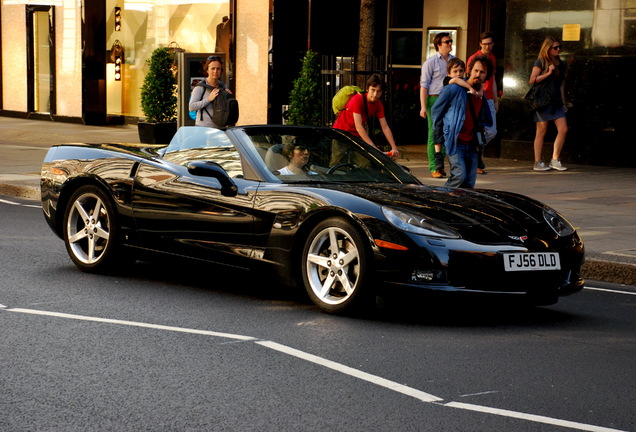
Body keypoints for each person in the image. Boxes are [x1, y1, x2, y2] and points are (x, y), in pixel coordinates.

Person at [432, 55, 493, 189]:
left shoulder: (482, 95)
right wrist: (443, 131)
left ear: (487, 75)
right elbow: (436, 111)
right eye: (476, 71)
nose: (478, 74)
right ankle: (441, 198)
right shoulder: (454, 88)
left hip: (472, 143)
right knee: (459, 176)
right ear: (469, 70)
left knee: (469, 182)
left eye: (482, 72)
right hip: (455, 141)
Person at [333, 74, 400, 158]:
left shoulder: (378, 104)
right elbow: (359, 126)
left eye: (378, 91)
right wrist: (373, 147)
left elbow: (385, 127)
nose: (375, 94)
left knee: (365, 162)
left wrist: (394, 147)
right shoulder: (358, 99)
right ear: (367, 89)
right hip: (341, 133)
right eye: (373, 90)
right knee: (338, 162)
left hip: (356, 135)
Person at [433, 58, 480, 176]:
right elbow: (436, 110)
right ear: (449, 73)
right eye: (455, 71)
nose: (458, 74)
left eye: (461, 71)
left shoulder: (463, 83)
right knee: (437, 132)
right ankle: (438, 158)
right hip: (447, 121)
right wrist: (470, 88)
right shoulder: (450, 82)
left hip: (458, 125)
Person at [529, 36, 568, 171]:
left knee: (563, 129)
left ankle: (555, 159)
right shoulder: (541, 61)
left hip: (556, 100)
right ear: (548, 49)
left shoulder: (560, 63)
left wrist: (563, 102)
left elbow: (561, 84)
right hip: (543, 101)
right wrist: (548, 73)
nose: (558, 50)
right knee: (541, 130)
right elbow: (532, 79)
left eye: (559, 47)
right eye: (555, 47)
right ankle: (537, 161)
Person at [420, 32, 454, 178]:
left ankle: (440, 164)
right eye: (447, 42)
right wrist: (423, 106)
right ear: (439, 45)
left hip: (450, 99)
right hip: (434, 99)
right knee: (434, 134)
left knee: (447, 132)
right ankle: (434, 167)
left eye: (451, 41)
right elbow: (424, 85)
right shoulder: (431, 62)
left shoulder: (454, 61)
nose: (450, 44)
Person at [467, 32, 499, 175]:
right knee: (477, 129)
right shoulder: (474, 59)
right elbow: (471, 79)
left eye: (490, 43)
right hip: (477, 97)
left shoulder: (492, 58)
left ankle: (472, 148)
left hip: (489, 98)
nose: (487, 46)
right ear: (480, 44)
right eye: (485, 43)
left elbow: (492, 80)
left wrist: (496, 99)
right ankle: (475, 158)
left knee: (492, 131)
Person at [188, 55, 233, 128]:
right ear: (207, 70)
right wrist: (208, 99)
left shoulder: (223, 86)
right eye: (213, 68)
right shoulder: (200, 87)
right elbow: (191, 107)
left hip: (220, 128)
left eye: (218, 69)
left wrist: (228, 97)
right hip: (203, 128)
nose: (215, 71)